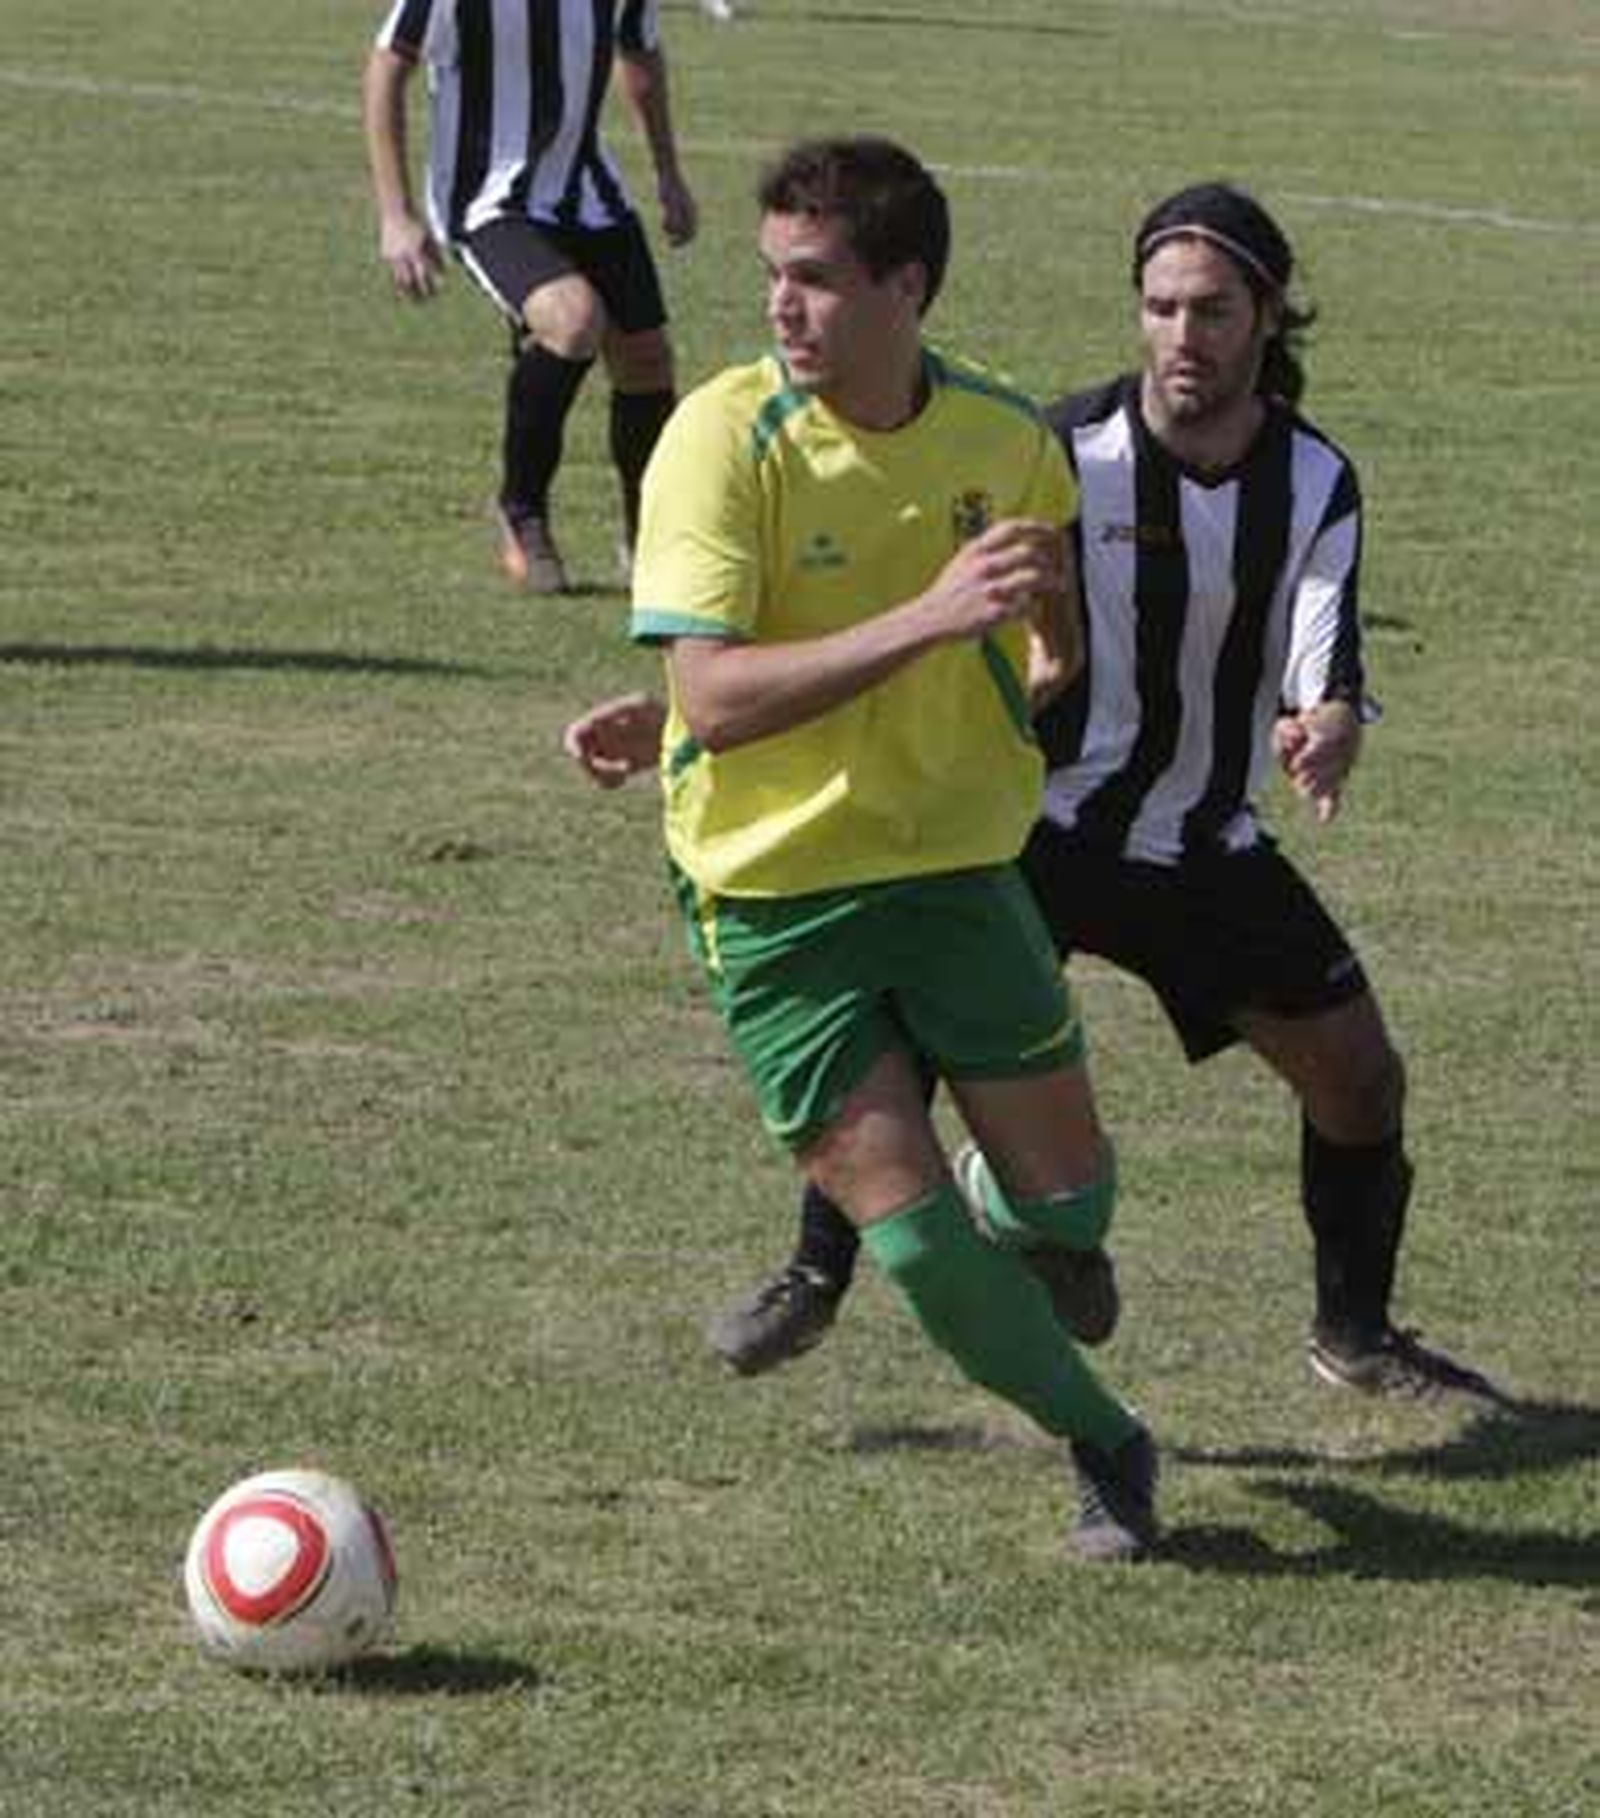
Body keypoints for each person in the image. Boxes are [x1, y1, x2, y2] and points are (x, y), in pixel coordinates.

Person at [567, 179, 1497, 1406]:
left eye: (1210, 311)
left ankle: (1355, 1335)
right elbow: (878, 604)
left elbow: (1328, 645)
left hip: (1198, 842)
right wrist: (684, 710)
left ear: (1266, 320)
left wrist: (1326, 721)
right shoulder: (1052, 447)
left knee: (1360, 1075)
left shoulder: (1315, 479)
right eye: (1158, 308)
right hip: (1032, 823)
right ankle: (814, 1270)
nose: (1180, 336)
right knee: (899, 1043)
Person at [623, 134, 1160, 1562]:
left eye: (814, 280)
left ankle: (1027, 1206)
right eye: (770, 279)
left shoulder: (1006, 440)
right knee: (912, 1232)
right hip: (774, 889)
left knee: (1073, 1204)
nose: (781, 309)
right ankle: (1106, 1437)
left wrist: (1033, 629)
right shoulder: (719, 436)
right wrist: (921, 618)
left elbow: (1046, 665)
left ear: (906, 286)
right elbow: (717, 700)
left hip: (955, 866)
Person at [363, 0, 698, 594]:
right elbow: (389, 64)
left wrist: (668, 173)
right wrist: (396, 214)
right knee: (572, 321)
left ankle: (649, 537)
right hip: (489, 199)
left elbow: (639, 49)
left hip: (590, 193)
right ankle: (521, 512)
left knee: (647, 359)